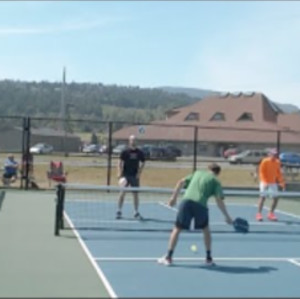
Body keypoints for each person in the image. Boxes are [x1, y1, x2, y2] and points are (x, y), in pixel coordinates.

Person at [158, 163, 233, 266]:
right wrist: (227, 217)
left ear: (208, 169)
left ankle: (168, 258)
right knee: (206, 229)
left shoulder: (197, 173)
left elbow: (180, 182)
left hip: (186, 202)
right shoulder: (216, 181)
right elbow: (219, 200)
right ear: (218, 173)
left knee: (177, 229)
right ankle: (208, 259)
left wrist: (173, 198)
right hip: (201, 205)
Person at [116, 135, 146, 220]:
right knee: (122, 193)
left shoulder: (139, 152)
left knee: (135, 194)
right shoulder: (125, 151)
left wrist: (139, 173)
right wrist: (119, 172)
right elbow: (119, 162)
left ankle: (136, 212)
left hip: (134, 176)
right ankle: (119, 211)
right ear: (129, 141)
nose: (133, 141)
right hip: (125, 176)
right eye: (132, 140)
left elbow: (143, 162)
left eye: (135, 140)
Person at [256, 149, 285, 221]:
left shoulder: (277, 162)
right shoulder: (265, 161)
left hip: (273, 182)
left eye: (275, 155)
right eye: (273, 154)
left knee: (276, 198)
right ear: (269, 154)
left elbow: (278, 173)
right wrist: (265, 182)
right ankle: (259, 214)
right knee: (263, 197)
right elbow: (261, 172)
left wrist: (282, 183)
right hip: (264, 182)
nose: (274, 156)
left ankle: (271, 214)